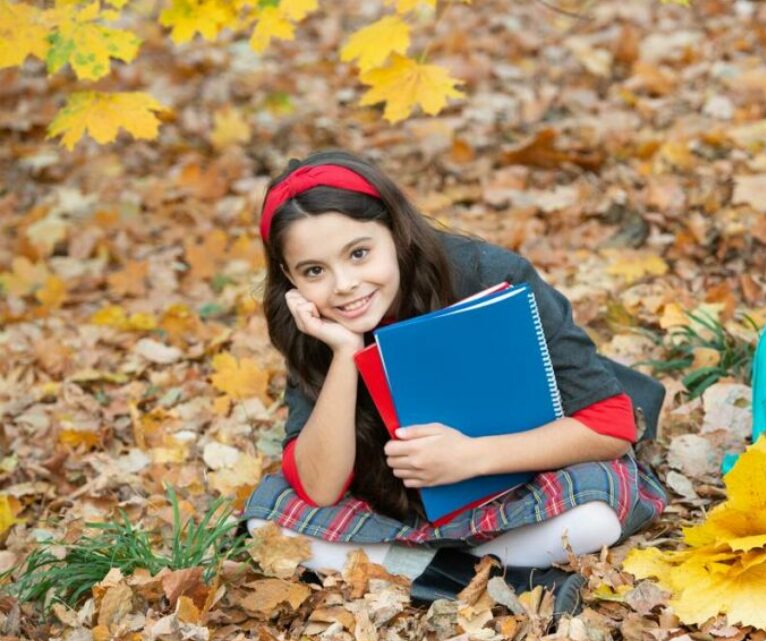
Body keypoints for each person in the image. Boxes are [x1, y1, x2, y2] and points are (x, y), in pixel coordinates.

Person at [241, 151, 668, 616]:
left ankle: (420, 569)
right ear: (288, 276)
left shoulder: (487, 272)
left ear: (396, 231)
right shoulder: (310, 322)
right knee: (268, 524)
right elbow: (320, 488)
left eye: (359, 253)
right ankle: (495, 576)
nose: (344, 285)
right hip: (392, 505)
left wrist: (471, 457)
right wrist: (345, 353)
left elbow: (610, 425)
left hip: (510, 481)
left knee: (595, 515)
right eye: (314, 271)